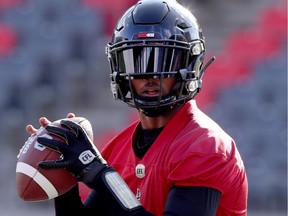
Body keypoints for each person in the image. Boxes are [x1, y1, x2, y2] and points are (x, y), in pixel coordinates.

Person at [26, 0, 248, 215]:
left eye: (164, 61)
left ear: (189, 65)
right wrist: (64, 179)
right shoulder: (119, 148)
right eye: (136, 61)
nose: (149, 75)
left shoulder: (205, 146)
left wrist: (99, 174)